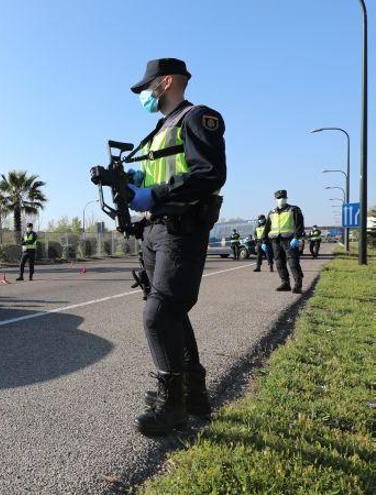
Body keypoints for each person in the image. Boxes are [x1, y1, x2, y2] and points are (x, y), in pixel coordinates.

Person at [122, 58, 226, 436]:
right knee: (174, 314)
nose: (145, 95)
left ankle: (173, 406)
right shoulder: (160, 129)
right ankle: (194, 396)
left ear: (166, 82)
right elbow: (165, 170)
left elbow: (208, 173)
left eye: (147, 87)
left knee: (159, 315)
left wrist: (154, 194)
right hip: (153, 231)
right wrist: (136, 177)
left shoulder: (198, 117)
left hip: (181, 230)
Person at [263, 190, 304, 293]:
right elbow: (267, 227)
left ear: (286, 198)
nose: (281, 199)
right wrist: (264, 241)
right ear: (275, 199)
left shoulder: (294, 209)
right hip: (275, 241)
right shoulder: (272, 212)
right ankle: (285, 283)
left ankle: (298, 285)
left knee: (293, 262)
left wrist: (296, 237)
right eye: (279, 198)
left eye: (283, 197)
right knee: (279, 262)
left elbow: (299, 224)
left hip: (289, 240)